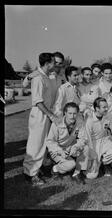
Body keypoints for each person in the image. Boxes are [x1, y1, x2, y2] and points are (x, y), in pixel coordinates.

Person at [23, 52, 58, 186]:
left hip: (45, 114)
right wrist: (50, 115)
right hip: (39, 114)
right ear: (48, 63)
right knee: (35, 144)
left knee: (43, 143)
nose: (54, 64)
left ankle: (37, 170)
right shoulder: (38, 78)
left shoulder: (46, 76)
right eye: (53, 62)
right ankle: (30, 174)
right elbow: (38, 101)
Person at [46, 102, 90, 183]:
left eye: (74, 113)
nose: (72, 116)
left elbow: (83, 138)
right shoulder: (57, 123)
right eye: (70, 113)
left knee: (86, 148)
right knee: (71, 164)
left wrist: (76, 146)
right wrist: (60, 151)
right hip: (57, 149)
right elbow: (50, 142)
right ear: (65, 113)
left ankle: (77, 173)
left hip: (70, 147)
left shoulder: (80, 123)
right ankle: (55, 169)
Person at [80, 97, 112, 179]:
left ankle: (105, 164)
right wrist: (93, 155)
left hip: (104, 140)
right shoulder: (89, 120)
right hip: (93, 143)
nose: (107, 109)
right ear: (97, 108)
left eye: (106, 106)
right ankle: (96, 164)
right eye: (104, 107)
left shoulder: (108, 116)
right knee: (91, 176)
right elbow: (88, 139)